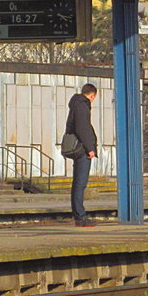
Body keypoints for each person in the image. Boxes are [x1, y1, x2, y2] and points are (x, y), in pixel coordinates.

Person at [64, 83, 98, 227]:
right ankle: (80, 216)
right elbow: (83, 128)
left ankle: (79, 215)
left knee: (77, 183)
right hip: (82, 149)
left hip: (77, 148)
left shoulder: (75, 104)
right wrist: (90, 148)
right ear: (92, 95)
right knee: (80, 184)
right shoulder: (82, 106)